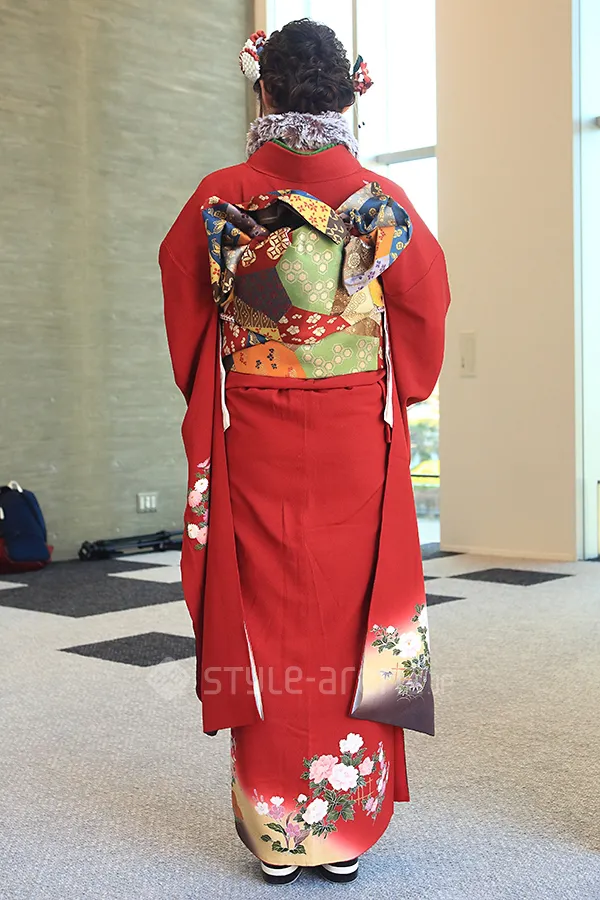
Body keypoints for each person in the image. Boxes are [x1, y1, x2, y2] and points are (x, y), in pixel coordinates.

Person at [159, 18, 451, 886]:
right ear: (349, 97)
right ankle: (344, 826)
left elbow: (184, 297)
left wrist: (231, 365)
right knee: (355, 609)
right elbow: (426, 306)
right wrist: (397, 385)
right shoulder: (380, 199)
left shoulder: (220, 196)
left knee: (264, 613)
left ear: (264, 92)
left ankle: (277, 825)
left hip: (257, 428)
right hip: (353, 432)